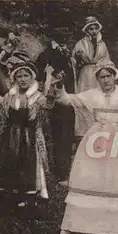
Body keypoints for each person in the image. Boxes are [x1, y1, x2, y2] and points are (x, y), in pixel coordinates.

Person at [52, 61, 118, 234]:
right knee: (89, 181)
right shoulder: (91, 95)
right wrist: (59, 87)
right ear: (97, 79)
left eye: (109, 76)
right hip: (95, 140)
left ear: (115, 76)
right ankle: (73, 229)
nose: (106, 80)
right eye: (102, 77)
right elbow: (68, 100)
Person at [0, 61, 50, 215]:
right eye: (19, 76)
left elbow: (49, 105)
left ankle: (27, 201)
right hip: (9, 136)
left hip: (29, 137)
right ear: (15, 78)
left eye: (26, 76)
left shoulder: (38, 97)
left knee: (27, 166)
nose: (23, 79)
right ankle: (4, 199)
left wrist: (52, 84)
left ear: (32, 78)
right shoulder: (11, 96)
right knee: (5, 163)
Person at [35, 27, 76, 184]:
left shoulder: (66, 53)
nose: (66, 40)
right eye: (63, 37)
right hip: (55, 100)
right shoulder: (47, 54)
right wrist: (51, 76)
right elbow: (38, 74)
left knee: (66, 135)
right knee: (60, 135)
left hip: (69, 98)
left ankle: (64, 170)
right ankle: (61, 173)